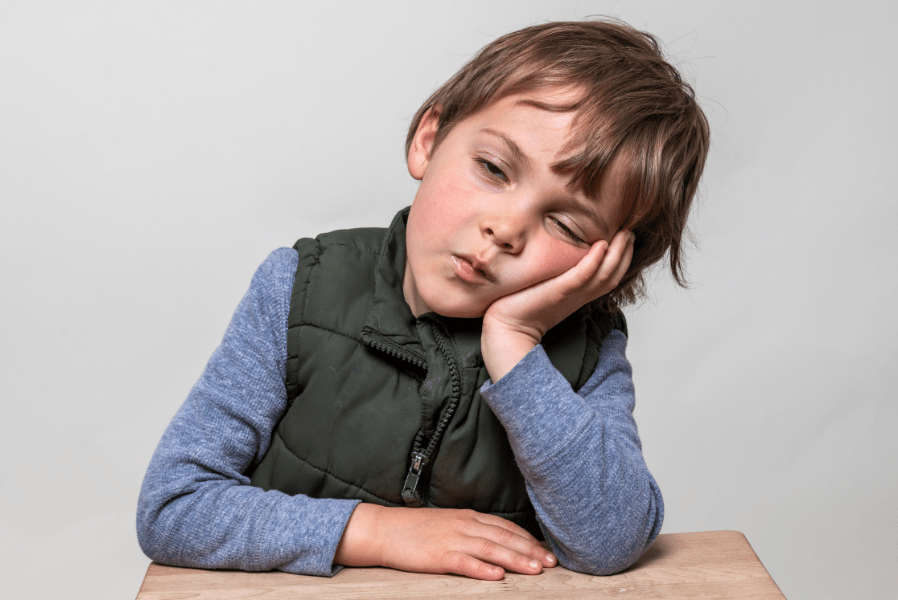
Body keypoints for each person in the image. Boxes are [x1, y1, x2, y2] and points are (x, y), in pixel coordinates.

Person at [136, 18, 709, 581]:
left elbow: (611, 541)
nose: (505, 229)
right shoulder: (301, 288)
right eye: (493, 168)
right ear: (429, 141)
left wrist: (516, 345)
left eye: (565, 224)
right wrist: (378, 531)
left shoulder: (587, 349)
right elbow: (173, 506)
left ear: (606, 266)